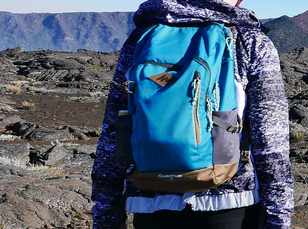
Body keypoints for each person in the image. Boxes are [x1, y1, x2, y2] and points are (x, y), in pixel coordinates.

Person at [92, 0, 294, 228]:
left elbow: (112, 134)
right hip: (230, 204)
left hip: (151, 204)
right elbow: (271, 144)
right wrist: (279, 217)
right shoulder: (248, 42)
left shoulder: (141, 39)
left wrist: (106, 215)